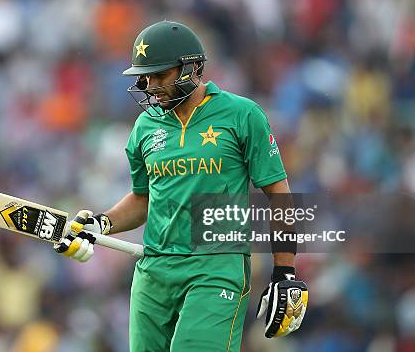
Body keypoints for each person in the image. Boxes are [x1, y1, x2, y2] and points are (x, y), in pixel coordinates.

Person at [54, 20, 308, 351]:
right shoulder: (144, 127)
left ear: (192, 67)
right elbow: (143, 199)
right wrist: (102, 223)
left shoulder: (242, 115)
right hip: (154, 271)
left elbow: (279, 196)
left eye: (160, 74)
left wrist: (285, 271)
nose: (150, 85)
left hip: (216, 266)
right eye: (145, 77)